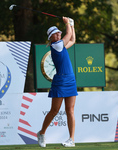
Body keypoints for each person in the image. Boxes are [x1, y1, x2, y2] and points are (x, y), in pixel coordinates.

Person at [37, 16, 78, 147]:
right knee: (54, 110)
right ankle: (42, 133)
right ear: (51, 37)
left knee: (70, 110)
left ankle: (71, 139)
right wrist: (67, 23)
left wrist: (72, 24)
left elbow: (73, 39)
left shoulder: (62, 45)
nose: (58, 34)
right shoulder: (56, 45)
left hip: (70, 79)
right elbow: (69, 34)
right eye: (55, 33)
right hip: (60, 81)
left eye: (59, 32)